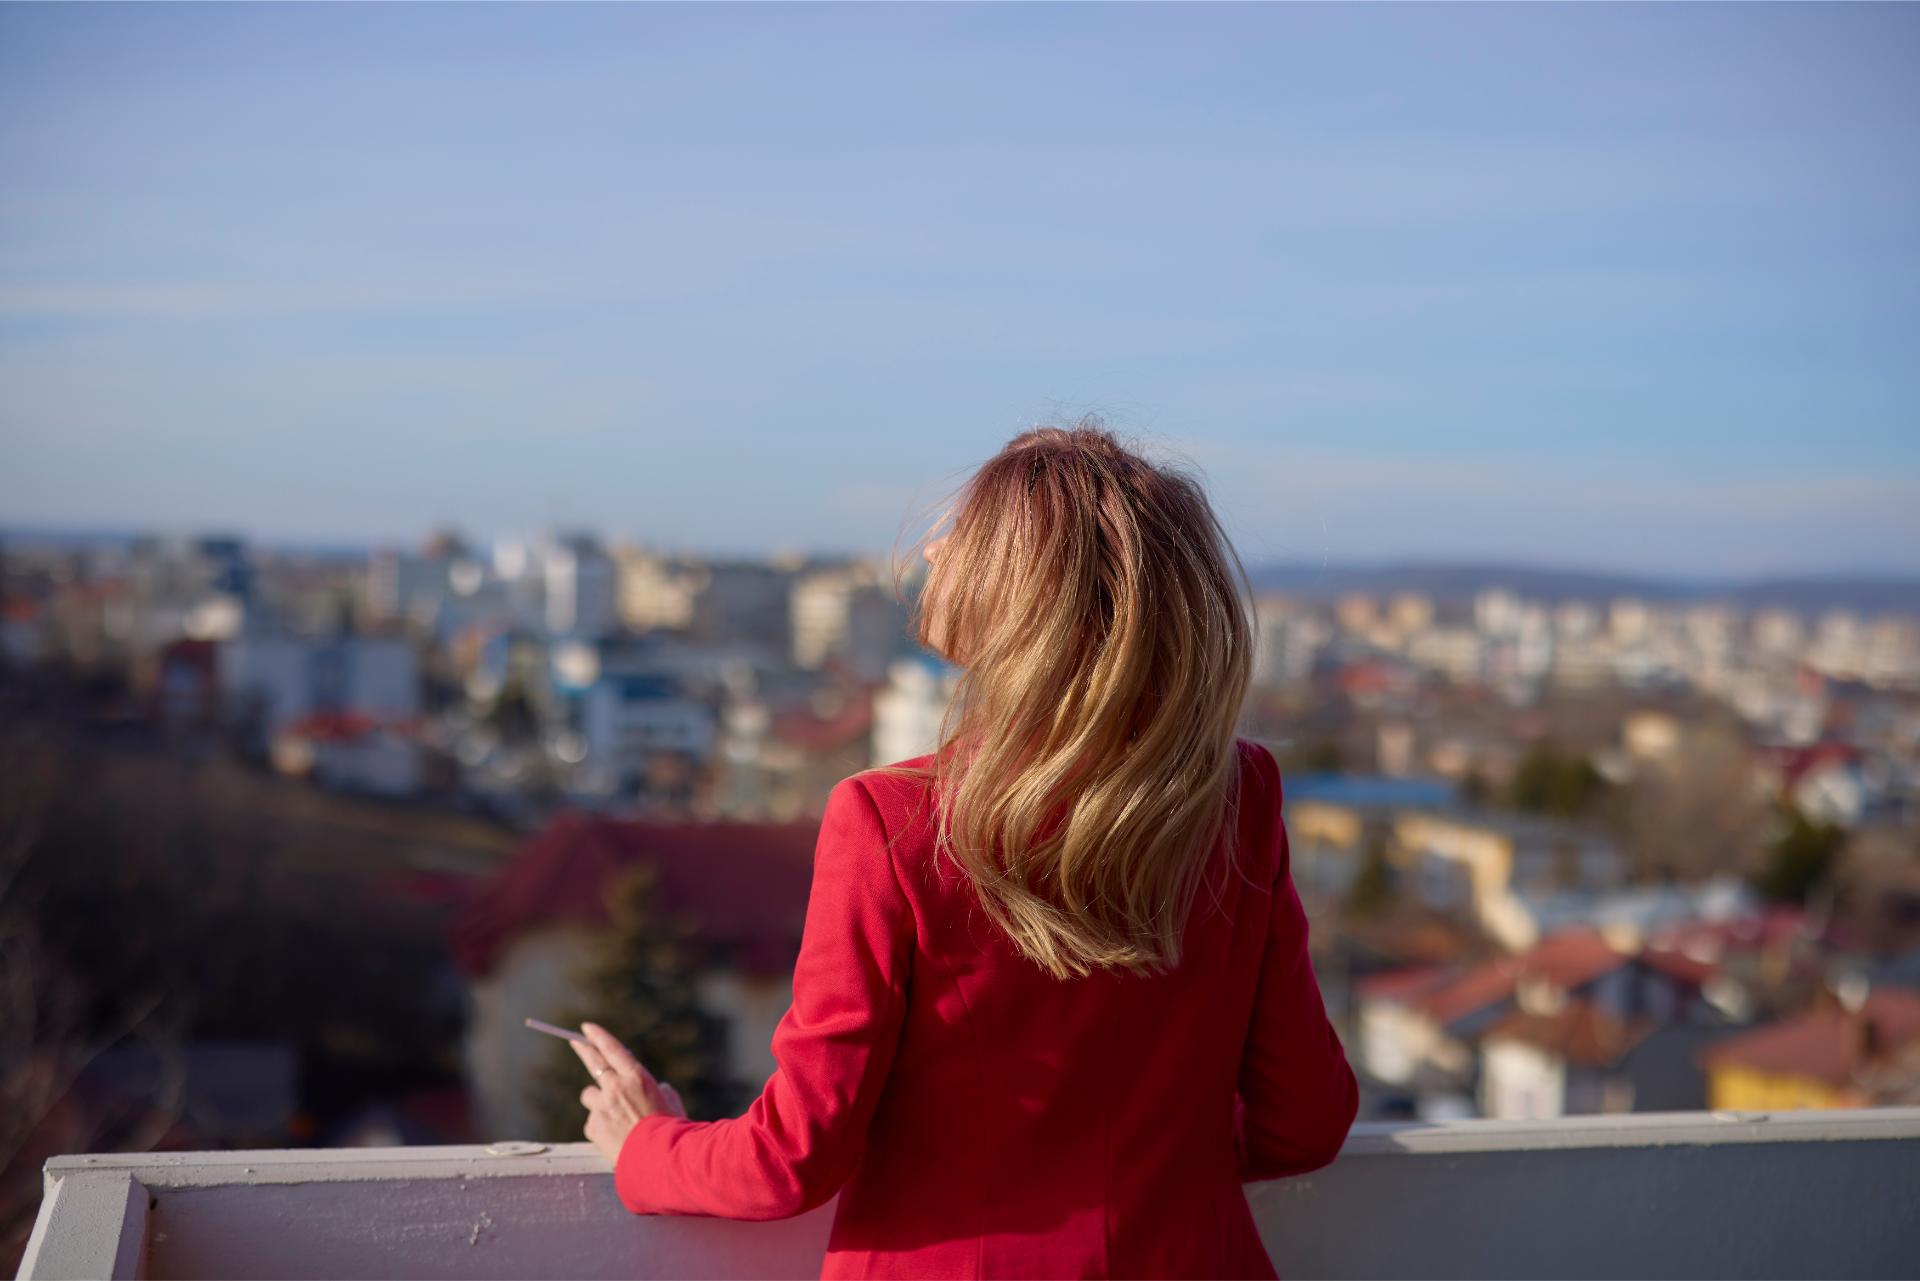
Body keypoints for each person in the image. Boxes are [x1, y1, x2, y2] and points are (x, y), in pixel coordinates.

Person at [569, 421, 1360, 1279]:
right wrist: (1163, 1159)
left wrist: (643, 1143)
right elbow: (1306, 1121)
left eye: (968, 534)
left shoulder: (888, 823)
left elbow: (793, 1157)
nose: (938, 548)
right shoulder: (1237, 799)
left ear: (1024, 595)